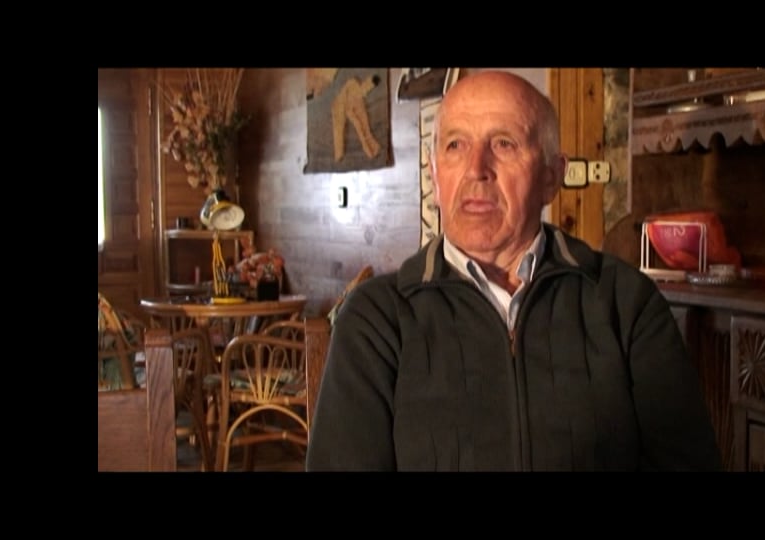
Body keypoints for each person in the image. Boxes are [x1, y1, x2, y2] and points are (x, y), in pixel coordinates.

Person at [306, 70, 721, 471]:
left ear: (551, 177)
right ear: (435, 174)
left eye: (504, 144)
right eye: (455, 145)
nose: (476, 168)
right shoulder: (377, 319)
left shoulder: (625, 303)